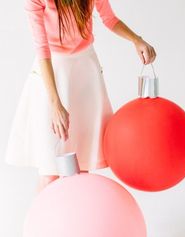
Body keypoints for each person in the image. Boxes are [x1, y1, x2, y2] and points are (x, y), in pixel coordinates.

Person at [4, 0, 156, 193]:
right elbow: (42, 49)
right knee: (50, 169)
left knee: (82, 165)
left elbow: (109, 18)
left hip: (85, 71)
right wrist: (55, 104)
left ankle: (77, 220)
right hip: (52, 72)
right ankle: (45, 222)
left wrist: (136, 40)